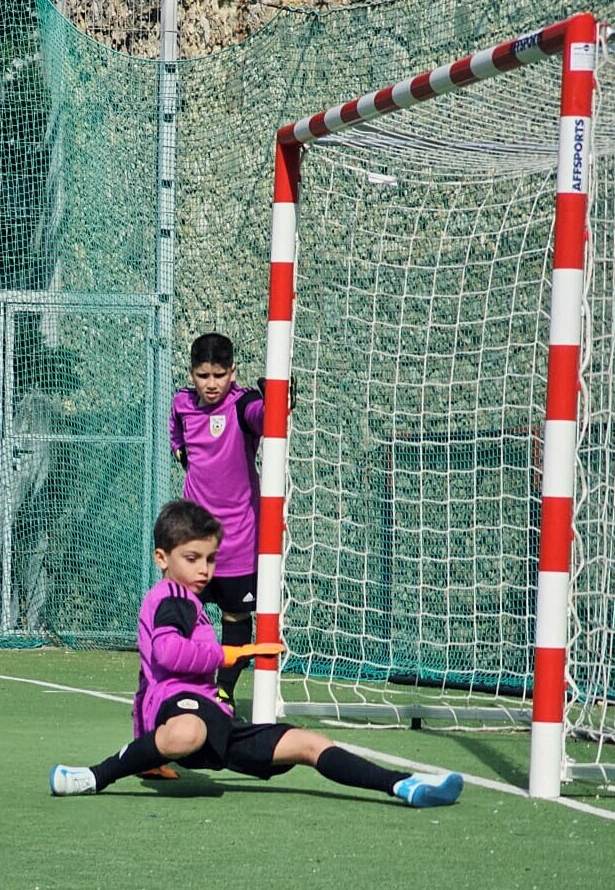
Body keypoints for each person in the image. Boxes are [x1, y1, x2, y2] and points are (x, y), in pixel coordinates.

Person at [49, 499, 463, 807]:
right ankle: (94, 776)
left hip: (215, 720)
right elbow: (168, 653)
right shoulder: (170, 597)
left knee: (309, 743)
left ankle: (403, 784)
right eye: (192, 558)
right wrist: (233, 653)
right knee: (189, 730)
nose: (204, 569)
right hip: (180, 708)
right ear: (162, 558)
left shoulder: (188, 602)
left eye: (210, 559)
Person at [169, 332, 268, 707]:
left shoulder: (244, 405)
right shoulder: (182, 403)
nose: (211, 384)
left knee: (236, 616)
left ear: (233, 372)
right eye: (203, 375)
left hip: (237, 540)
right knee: (179, 613)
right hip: (192, 539)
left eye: (219, 375)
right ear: (192, 374)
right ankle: (182, 688)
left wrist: (275, 401)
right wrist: (181, 451)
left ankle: (224, 691)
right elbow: (176, 433)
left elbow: (263, 418)